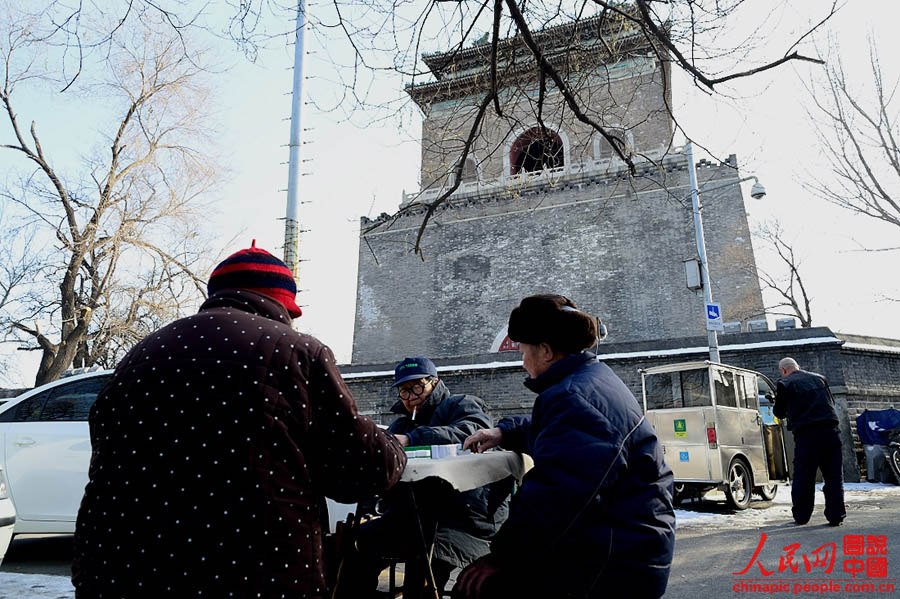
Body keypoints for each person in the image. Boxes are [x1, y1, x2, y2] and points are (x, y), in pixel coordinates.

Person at [72, 241, 407, 599]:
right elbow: (360, 472)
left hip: (119, 571)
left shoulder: (139, 355)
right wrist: (391, 444)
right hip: (252, 573)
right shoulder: (296, 352)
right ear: (283, 305)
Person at [454, 294, 676, 599]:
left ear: (545, 351)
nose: (522, 362)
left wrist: (500, 557)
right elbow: (560, 439)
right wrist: (503, 433)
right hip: (627, 540)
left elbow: (553, 500)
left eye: (522, 351)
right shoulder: (589, 381)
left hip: (617, 559)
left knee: (476, 586)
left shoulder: (574, 398)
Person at [336, 356, 511, 598]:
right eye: (404, 391)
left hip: (463, 518)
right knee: (352, 549)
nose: (410, 397)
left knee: (424, 566)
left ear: (435, 382)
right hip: (412, 517)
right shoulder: (400, 424)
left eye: (417, 387)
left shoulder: (462, 405)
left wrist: (412, 439)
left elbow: (471, 431)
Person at [773, 357, 846, 526]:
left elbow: (780, 412)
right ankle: (836, 516)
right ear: (797, 366)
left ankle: (802, 515)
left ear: (784, 370)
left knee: (804, 476)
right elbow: (830, 402)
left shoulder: (785, 384)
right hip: (831, 431)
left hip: (807, 435)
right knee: (834, 475)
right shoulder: (820, 379)